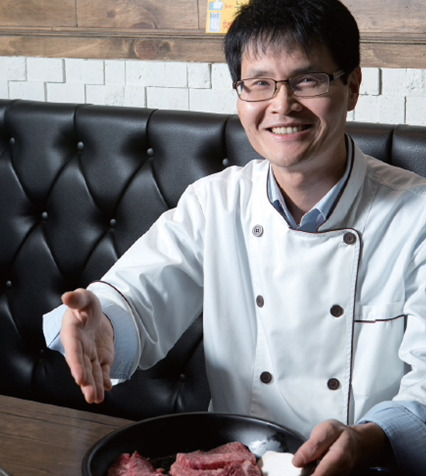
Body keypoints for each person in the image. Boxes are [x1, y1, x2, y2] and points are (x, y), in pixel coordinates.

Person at [43, 0, 426, 474]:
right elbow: (138, 295)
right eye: (259, 83)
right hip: (237, 464)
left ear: (352, 86)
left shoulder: (416, 216)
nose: (282, 105)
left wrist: (370, 440)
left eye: (307, 80)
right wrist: (102, 324)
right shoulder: (216, 202)